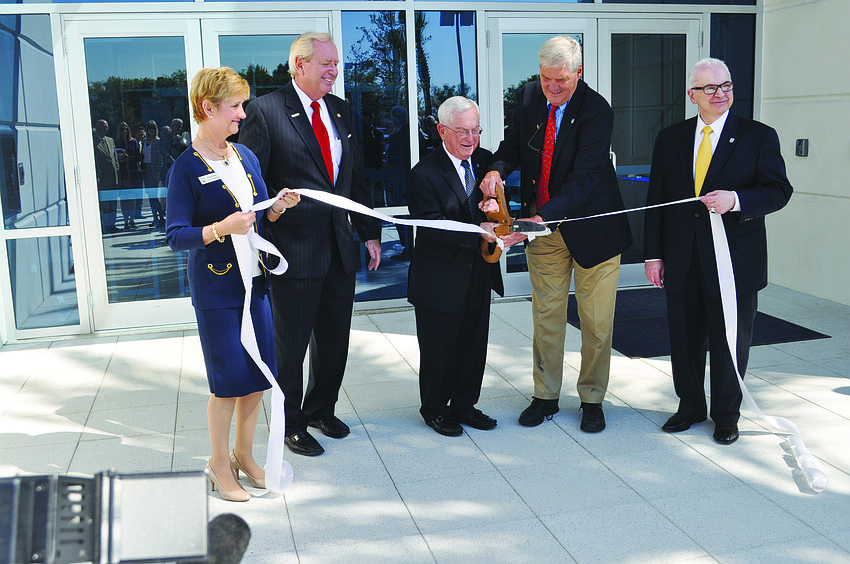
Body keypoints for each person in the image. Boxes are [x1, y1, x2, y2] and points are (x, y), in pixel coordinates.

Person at [239, 32, 382, 457]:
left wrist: (369, 231)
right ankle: (290, 423)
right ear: (299, 65)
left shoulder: (340, 111)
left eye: (336, 64)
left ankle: (322, 408)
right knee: (291, 346)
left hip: (339, 248)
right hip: (293, 252)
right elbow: (251, 185)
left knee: (334, 339)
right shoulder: (265, 112)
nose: (334, 71)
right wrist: (263, 235)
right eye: (326, 64)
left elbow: (353, 178)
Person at [480, 35, 632, 433]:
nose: (553, 88)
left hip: (592, 228)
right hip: (543, 230)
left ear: (578, 73)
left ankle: (592, 399)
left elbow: (583, 181)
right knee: (546, 316)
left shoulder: (597, 111)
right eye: (546, 79)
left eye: (561, 80)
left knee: (596, 322)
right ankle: (545, 395)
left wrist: (536, 220)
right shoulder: (530, 97)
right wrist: (496, 169)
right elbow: (511, 146)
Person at [165, 67, 300, 501]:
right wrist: (221, 227)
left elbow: (257, 216)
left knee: (259, 377)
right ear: (208, 108)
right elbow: (175, 236)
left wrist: (277, 208)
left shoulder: (245, 156)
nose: (243, 114)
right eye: (236, 106)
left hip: (255, 282)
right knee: (228, 382)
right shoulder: (185, 168)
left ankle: (245, 455)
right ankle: (218, 464)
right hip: (218, 291)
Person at [644, 58, 792, 445]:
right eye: (710, 88)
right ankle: (690, 406)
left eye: (725, 85)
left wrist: (738, 199)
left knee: (730, 341)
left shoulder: (759, 136)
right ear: (692, 95)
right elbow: (657, 198)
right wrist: (653, 255)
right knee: (684, 338)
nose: (720, 93)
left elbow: (779, 192)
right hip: (682, 257)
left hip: (735, 260)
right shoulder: (670, 138)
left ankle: (726, 415)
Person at [407, 96, 504, 437]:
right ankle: (435, 409)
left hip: (479, 270)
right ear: (441, 131)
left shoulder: (485, 160)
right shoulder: (424, 173)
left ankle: (465, 405)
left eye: (475, 130)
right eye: (461, 131)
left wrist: (496, 208)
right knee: (439, 349)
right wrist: (481, 231)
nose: (470, 138)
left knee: (473, 345)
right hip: (440, 277)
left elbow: (501, 180)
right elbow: (433, 225)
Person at [93, 118, 120, 234]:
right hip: (102, 178)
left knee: (113, 203)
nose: (105, 129)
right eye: (103, 127)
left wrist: (118, 172)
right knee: (104, 204)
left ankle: (111, 224)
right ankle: (104, 225)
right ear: (97, 128)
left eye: (107, 127)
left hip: (114, 177)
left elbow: (114, 158)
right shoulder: (92, 141)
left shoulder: (110, 140)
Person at [141, 120, 167, 229]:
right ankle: (154, 217)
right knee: (149, 196)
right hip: (145, 170)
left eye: (153, 128)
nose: (151, 130)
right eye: (149, 128)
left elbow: (160, 159)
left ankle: (161, 217)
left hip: (154, 170)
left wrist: (158, 173)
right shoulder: (144, 141)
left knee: (154, 195)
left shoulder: (157, 141)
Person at [115, 121, 140, 229]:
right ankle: (125, 221)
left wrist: (130, 157)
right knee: (124, 199)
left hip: (132, 172)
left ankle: (132, 220)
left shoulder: (133, 142)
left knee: (132, 198)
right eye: (122, 129)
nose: (124, 131)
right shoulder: (116, 142)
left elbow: (139, 157)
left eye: (126, 129)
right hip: (121, 172)